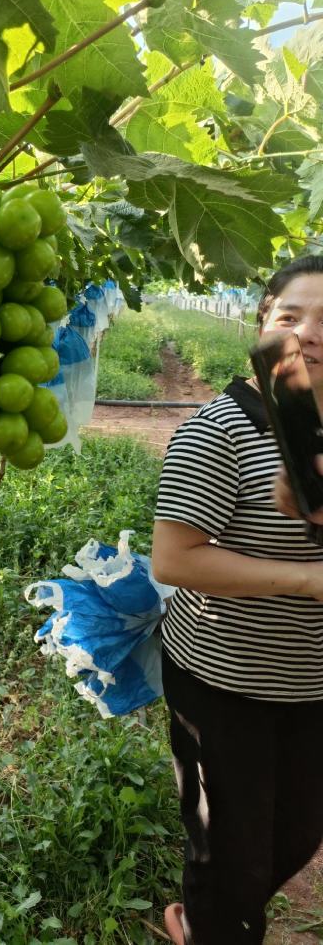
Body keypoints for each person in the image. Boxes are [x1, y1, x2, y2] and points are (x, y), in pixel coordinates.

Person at [151, 255, 323, 945]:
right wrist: (309, 580)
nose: (309, 333)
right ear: (263, 323)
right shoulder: (219, 430)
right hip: (221, 687)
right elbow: (174, 557)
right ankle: (204, 924)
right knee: (227, 855)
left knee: (296, 838)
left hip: (310, 685)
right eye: (292, 316)